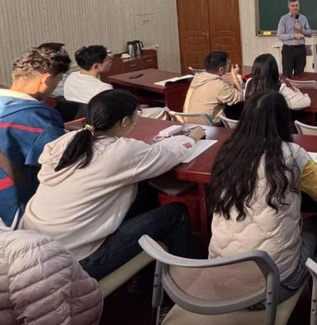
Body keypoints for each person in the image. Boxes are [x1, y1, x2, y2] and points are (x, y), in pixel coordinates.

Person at [21, 90, 201, 280]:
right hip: (77, 261)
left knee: (141, 196)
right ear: (125, 121)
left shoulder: (68, 140)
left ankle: (143, 277)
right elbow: (171, 153)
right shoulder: (121, 151)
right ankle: (189, 280)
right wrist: (192, 137)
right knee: (176, 213)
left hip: (35, 249)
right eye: (137, 113)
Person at [207, 91, 317, 303]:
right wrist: (316, 166)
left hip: (219, 282)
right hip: (272, 287)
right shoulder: (290, 153)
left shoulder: (228, 152)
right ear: (282, 121)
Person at [0, 47, 70, 229]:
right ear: (46, 80)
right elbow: (65, 163)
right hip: (18, 217)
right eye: (58, 80)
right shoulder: (38, 118)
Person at [64, 45, 167, 119]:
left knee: (144, 105)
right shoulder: (103, 88)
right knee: (162, 111)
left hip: (84, 118)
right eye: (107, 59)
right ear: (97, 66)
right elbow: (117, 112)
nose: (110, 61)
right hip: (111, 120)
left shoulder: (71, 77)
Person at [183, 51, 243, 124]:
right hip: (209, 126)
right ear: (221, 69)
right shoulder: (219, 86)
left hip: (189, 122)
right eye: (228, 63)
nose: (230, 65)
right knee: (238, 107)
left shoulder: (197, 78)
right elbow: (240, 97)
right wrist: (234, 75)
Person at [245, 53, 311, 110]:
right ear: (274, 70)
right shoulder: (280, 89)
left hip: (250, 121)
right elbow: (306, 102)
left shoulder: (249, 83)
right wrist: (298, 92)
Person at [277, 0, 312, 78]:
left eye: (296, 5)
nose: (295, 7)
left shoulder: (303, 18)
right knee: (287, 74)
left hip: (301, 49)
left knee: (300, 74)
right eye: (292, 6)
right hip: (288, 49)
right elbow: (280, 35)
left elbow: (310, 33)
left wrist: (301, 29)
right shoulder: (284, 19)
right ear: (289, 6)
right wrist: (294, 36)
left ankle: (298, 86)